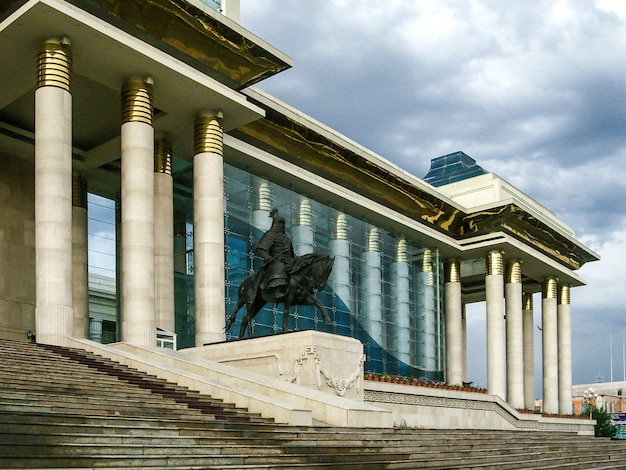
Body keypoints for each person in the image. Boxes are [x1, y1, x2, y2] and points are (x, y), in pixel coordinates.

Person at [254, 209, 296, 300]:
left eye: (283, 224)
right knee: (279, 267)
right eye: (280, 224)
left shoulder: (287, 239)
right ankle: (276, 290)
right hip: (276, 261)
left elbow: (292, 254)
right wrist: (267, 257)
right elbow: (261, 249)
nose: (282, 226)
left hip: (289, 262)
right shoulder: (270, 235)